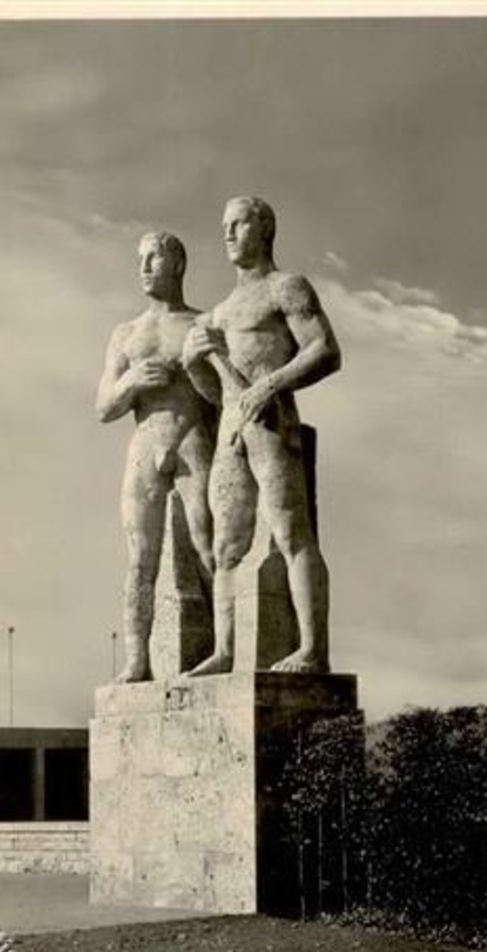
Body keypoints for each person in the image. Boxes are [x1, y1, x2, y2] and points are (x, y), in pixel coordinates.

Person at [181, 196, 341, 675]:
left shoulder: (285, 288)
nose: (228, 234)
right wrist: (195, 363)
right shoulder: (221, 311)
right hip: (232, 422)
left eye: (238, 224)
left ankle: (313, 650)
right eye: (224, 226)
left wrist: (271, 384)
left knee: (291, 530)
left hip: (271, 417)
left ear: (265, 229)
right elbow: (213, 393)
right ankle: (226, 650)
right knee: (226, 545)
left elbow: (325, 350)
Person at [96, 232, 215, 683]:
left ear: (178, 264)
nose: (144, 267)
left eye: (153, 258)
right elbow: (104, 406)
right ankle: (137, 661)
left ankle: (226, 648)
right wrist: (132, 384)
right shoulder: (126, 333)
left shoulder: (203, 323)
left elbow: (224, 395)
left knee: (210, 548)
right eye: (140, 259)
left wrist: (199, 365)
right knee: (140, 559)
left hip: (192, 438)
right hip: (145, 443)